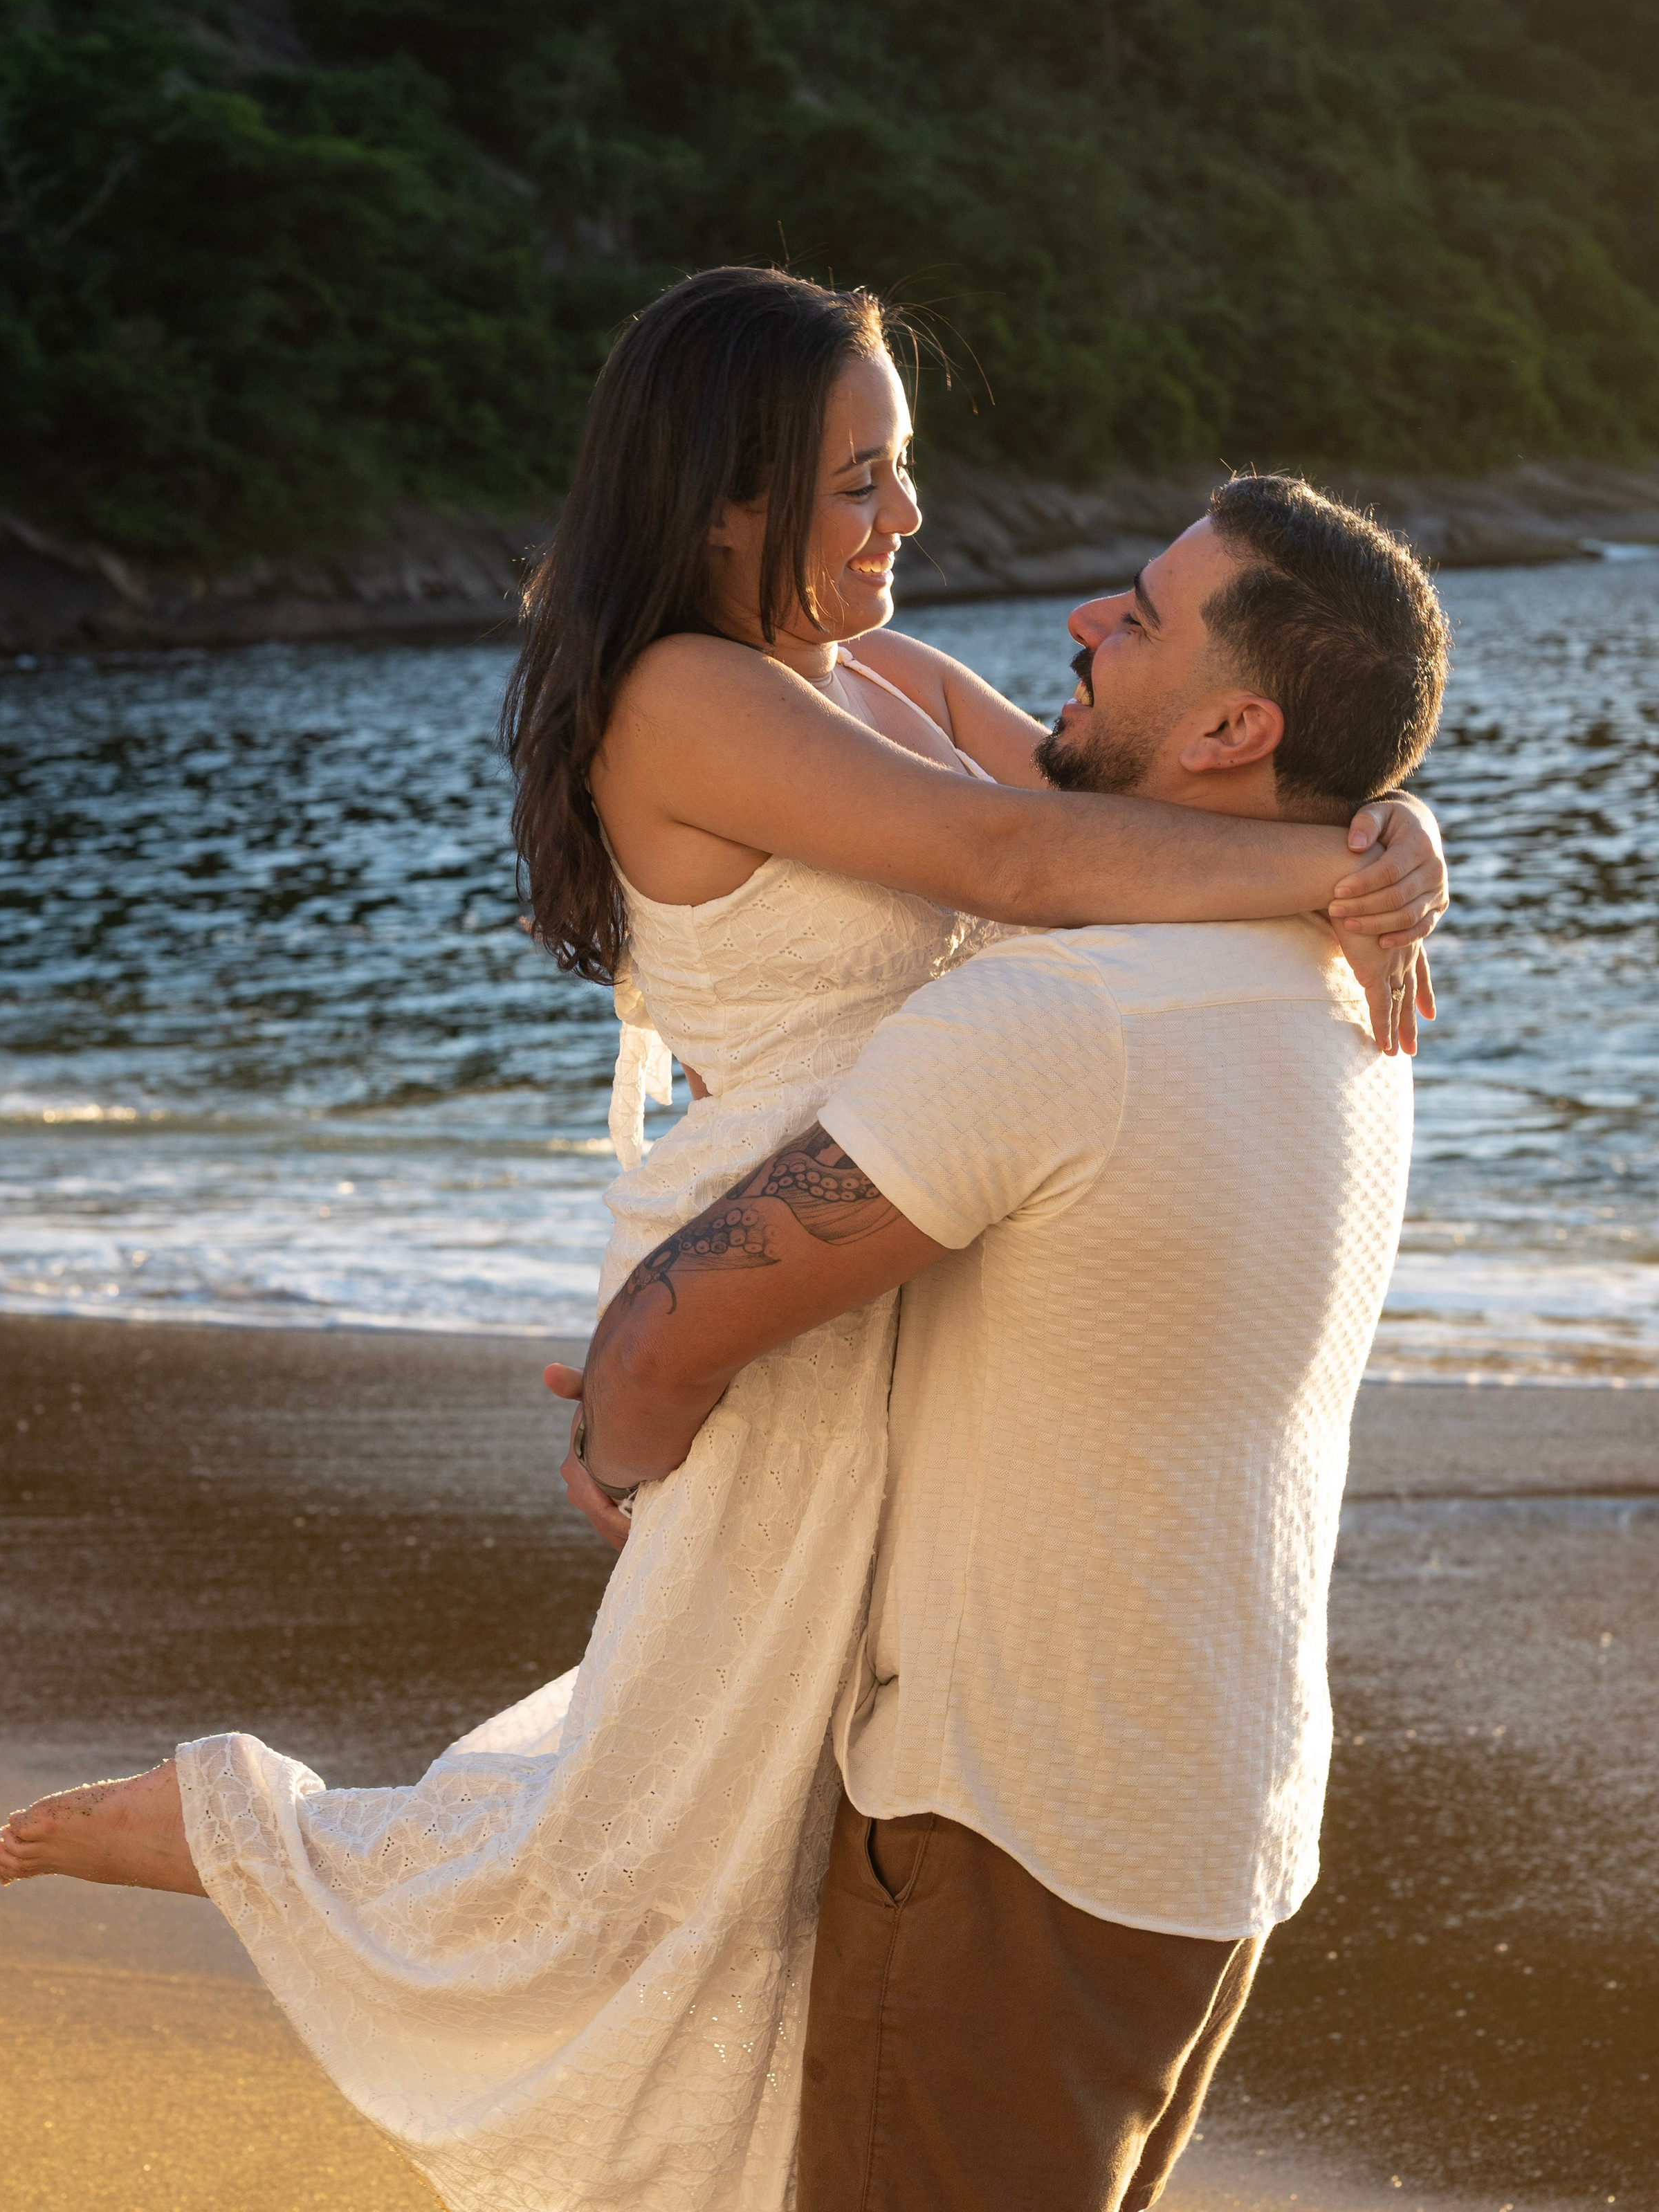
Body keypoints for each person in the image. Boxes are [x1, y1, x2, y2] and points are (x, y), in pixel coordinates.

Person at [0, 272, 1445, 2212]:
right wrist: (1333, 866)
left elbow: (1124, 828)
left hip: (918, 1210)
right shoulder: (686, 695)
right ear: (721, 506)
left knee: (768, 1798)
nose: (906, 524)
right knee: (680, 1788)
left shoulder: (904, 680)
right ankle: (260, 1839)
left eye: (900, 474)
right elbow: (1026, 870)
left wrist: (1402, 838)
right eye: (857, 486)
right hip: (800, 1221)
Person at [558, 470, 1451, 2211]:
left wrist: (617, 1448)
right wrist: (1381, 832)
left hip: (1010, 1816)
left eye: (1135, 615)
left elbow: (664, 1338)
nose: (1079, 625)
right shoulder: (1343, 977)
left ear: (1233, 724)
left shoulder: (1058, 1017)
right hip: (1214, 1817)